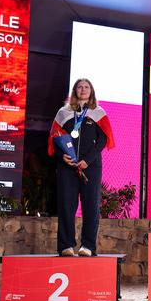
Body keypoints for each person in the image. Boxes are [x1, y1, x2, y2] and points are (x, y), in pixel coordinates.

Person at [48, 78, 114, 257]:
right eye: (79, 87)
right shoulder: (63, 112)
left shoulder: (98, 112)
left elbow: (103, 140)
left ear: (91, 91)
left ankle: (88, 246)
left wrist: (88, 160)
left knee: (91, 206)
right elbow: (55, 138)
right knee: (66, 206)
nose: (83, 90)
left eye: (86, 87)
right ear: (75, 91)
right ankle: (66, 245)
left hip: (90, 167)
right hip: (67, 166)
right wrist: (62, 157)